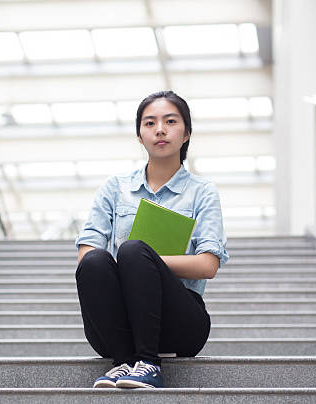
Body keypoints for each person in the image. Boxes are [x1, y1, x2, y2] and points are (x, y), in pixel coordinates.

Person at [74, 90, 228, 389]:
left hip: (180, 323)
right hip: (119, 328)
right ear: (139, 136)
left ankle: (148, 364)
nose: (160, 129)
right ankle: (123, 363)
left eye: (170, 121)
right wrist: (129, 266)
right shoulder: (115, 188)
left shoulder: (202, 192)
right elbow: (86, 253)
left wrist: (145, 263)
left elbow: (208, 265)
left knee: (133, 251)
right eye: (150, 123)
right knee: (94, 261)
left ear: (186, 134)